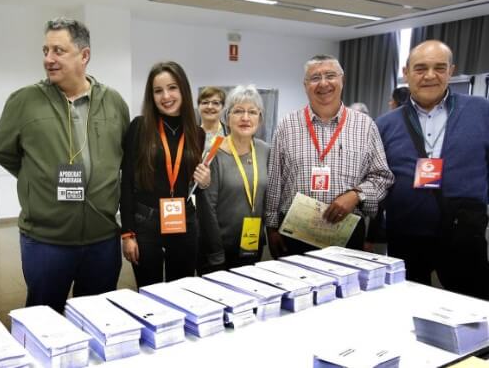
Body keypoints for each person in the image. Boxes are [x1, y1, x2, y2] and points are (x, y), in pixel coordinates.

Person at [0, 18, 130, 312]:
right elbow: (1, 150)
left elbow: (123, 156)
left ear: (84, 56)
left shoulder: (113, 102)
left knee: (98, 317)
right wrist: (35, 178)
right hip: (46, 241)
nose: (48, 59)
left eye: (58, 51)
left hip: (102, 238)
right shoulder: (25, 101)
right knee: (44, 319)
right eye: (45, 51)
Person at [376, 40, 489, 300]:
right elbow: (378, 177)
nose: (430, 76)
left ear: (451, 70)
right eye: (420, 68)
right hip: (406, 233)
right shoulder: (385, 124)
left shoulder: (481, 111)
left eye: (439, 68)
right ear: (406, 73)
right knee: (405, 307)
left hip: (463, 233)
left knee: (472, 309)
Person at [265, 54, 394, 258]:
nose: (323, 83)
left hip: (346, 233)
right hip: (294, 233)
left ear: (342, 80)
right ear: (305, 85)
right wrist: (271, 228)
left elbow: (382, 177)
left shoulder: (365, 126)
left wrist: (355, 195)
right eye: (315, 78)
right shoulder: (286, 125)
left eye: (330, 75)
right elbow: (274, 181)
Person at [120, 61, 211, 288]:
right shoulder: (139, 127)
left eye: (172, 88)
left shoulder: (196, 133)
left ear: (183, 90)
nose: (166, 96)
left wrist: (203, 183)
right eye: (158, 90)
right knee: (150, 291)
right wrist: (127, 234)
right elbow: (127, 183)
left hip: (183, 220)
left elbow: (190, 183)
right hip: (146, 222)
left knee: (182, 290)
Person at [200, 85, 269, 271]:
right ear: (227, 117)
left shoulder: (265, 151)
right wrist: (216, 254)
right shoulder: (213, 152)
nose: (245, 118)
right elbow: (207, 209)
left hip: (252, 245)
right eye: (238, 111)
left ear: (260, 119)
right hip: (218, 251)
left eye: (252, 112)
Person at [198, 86, 227, 152]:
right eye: (205, 102)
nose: (210, 107)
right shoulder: (189, 134)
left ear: (223, 107)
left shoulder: (232, 133)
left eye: (215, 103)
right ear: (199, 106)